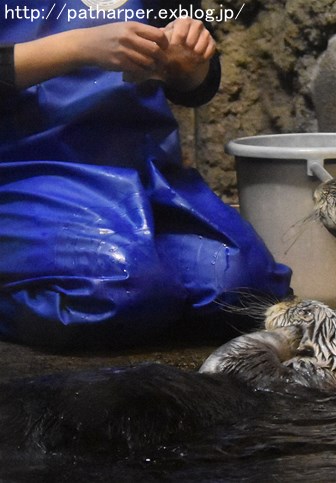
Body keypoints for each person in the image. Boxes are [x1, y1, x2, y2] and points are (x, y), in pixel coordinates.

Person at [0, 0, 292, 348]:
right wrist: (78, 47)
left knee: (245, 289)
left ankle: (152, 298)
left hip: (143, 170)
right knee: (123, 285)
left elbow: (199, 82)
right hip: (28, 170)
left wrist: (189, 63)